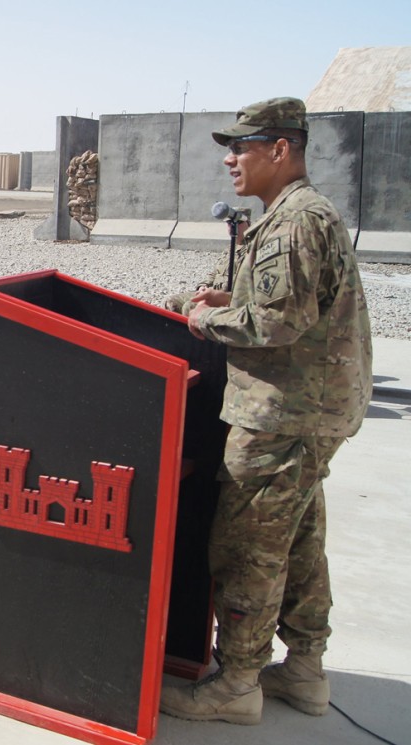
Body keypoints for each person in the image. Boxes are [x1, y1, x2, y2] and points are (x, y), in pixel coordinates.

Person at [160, 98, 373, 725]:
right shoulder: (299, 214)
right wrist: (233, 295)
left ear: (280, 150)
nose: (230, 160)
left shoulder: (293, 221)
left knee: (248, 546)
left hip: (284, 415)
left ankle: (237, 685)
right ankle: (304, 670)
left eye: (242, 147)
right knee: (299, 541)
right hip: (312, 412)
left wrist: (201, 316)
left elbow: (275, 322)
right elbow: (297, 303)